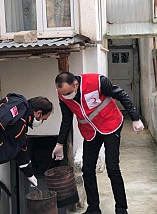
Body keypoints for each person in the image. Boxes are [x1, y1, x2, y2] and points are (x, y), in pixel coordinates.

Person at [52, 72, 144, 214]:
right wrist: (60, 144)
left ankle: (121, 208)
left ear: (75, 84)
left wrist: (135, 118)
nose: (65, 96)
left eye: (68, 92)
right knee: (87, 170)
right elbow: (66, 119)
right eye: (62, 94)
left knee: (113, 168)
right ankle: (93, 208)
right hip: (90, 132)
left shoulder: (97, 81)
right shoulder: (63, 95)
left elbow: (121, 94)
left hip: (110, 124)